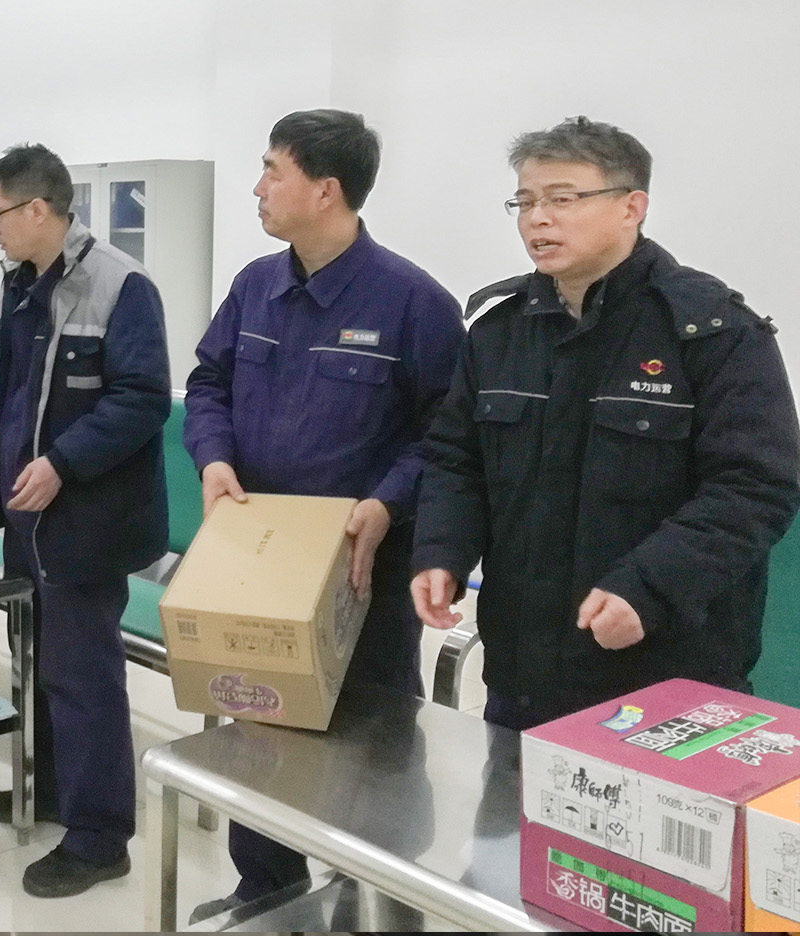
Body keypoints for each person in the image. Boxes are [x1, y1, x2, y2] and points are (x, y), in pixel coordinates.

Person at [412, 116, 800, 732]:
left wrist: (649, 587)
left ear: (631, 207)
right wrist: (442, 550)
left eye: (562, 199)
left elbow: (755, 486)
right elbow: (456, 460)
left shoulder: (711, 332)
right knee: (515, 796)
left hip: (666, 671)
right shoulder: (498, 332)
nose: (537, 219)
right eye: (525, 201)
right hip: (523, 672)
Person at [183, 109, 466, 922]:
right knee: (258, 718)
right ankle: (266, 887)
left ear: (325, 190)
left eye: (272, 170)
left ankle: (373, 898)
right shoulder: (255, 287)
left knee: (371, 735)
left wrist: (387, 501)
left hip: (360, 565)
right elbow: (207, 383)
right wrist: (214, 457)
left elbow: (447, 436)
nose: (258, 187)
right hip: (260, 556)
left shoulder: (414, 303)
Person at [0, 143, 170, 898]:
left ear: (37, 209)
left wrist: (63, 461)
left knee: (83, 673)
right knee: (38, 662)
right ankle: (56, 790)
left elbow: (142, 399)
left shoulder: (121, 286)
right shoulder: (22, 283)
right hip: (26, 517)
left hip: (85, 519)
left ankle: (100, 837)